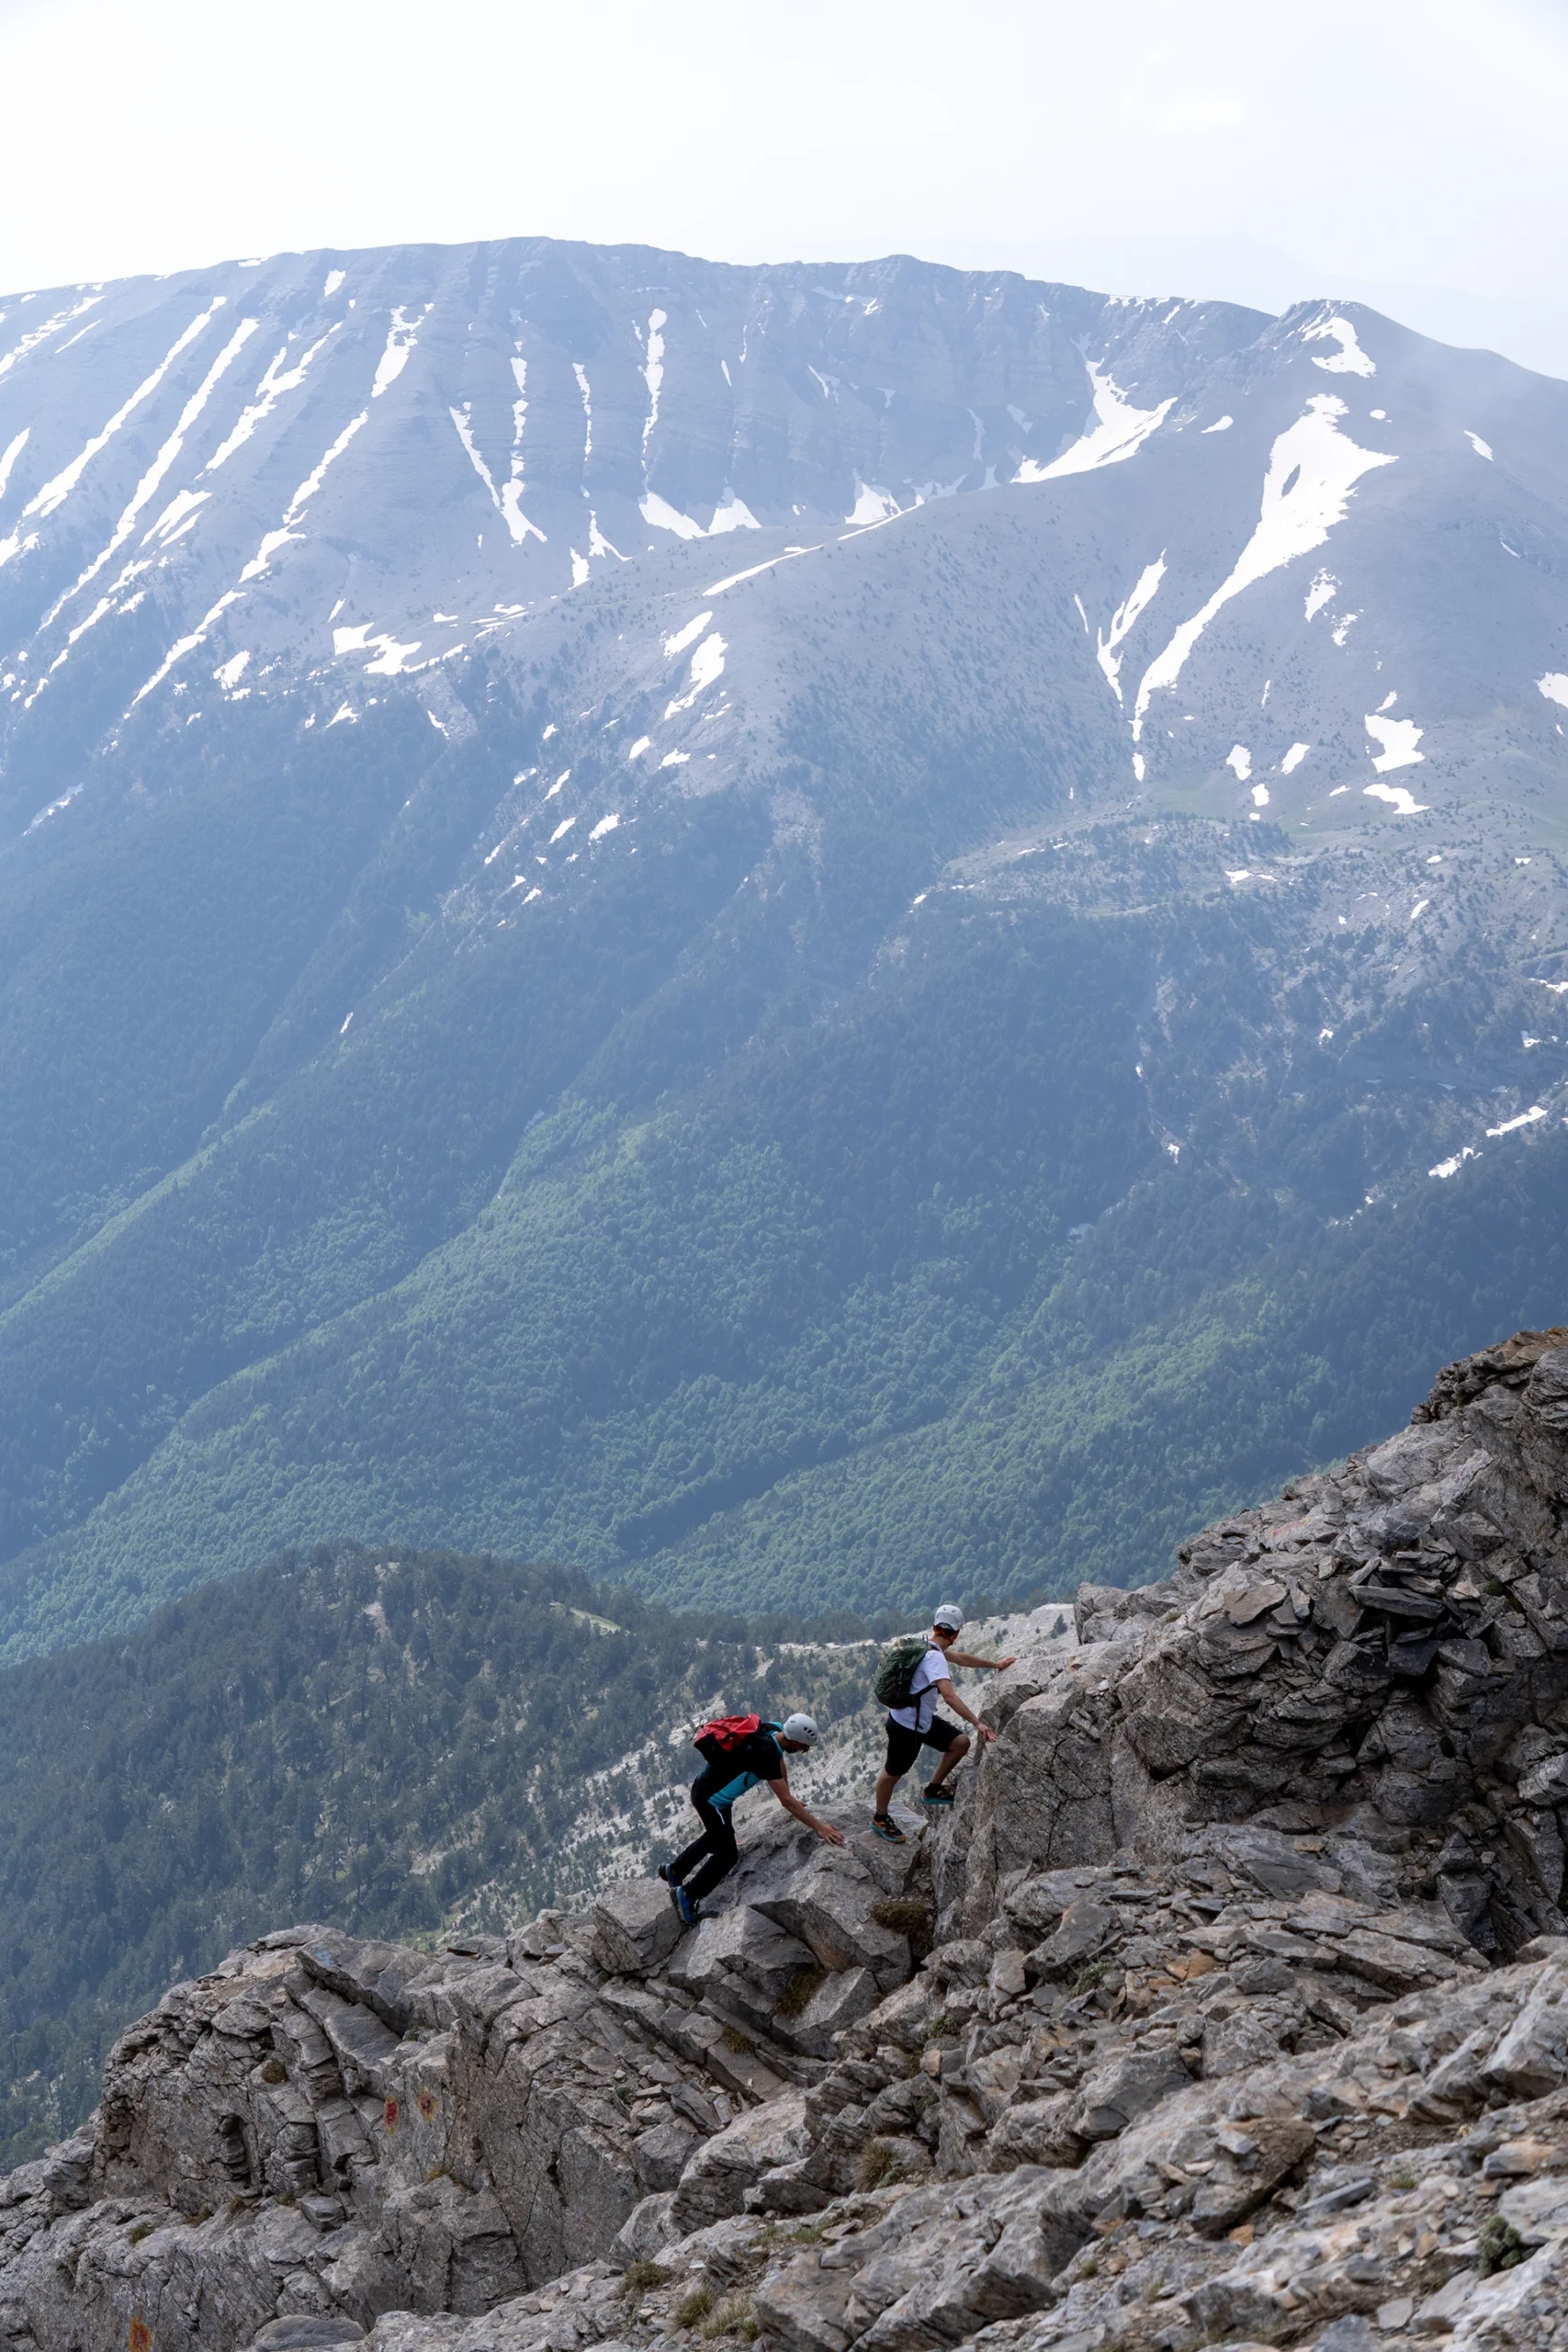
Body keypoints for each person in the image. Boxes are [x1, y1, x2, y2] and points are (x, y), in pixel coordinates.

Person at [661, 1711, 845, 1925]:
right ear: (794, 1741)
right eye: (804, 1746)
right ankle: (687, 1895)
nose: (804, 1751)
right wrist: (819, 1827)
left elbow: (779, 1762)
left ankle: (674, 1870)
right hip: (711, 1801)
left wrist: (788, 1791)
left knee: (717, 1836)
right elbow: (786, 1802)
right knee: (728, 1855)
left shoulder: (773, 1730)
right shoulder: (765, 1753)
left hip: (710, 1793)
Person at [872, 1605, 1015, 1841]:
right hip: (908, 1728)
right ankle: (880, 1818)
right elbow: (949, 1696)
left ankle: (933, 1790)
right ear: (956, 1633)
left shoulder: (925, 1644)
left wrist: (995, 1665)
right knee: (892, 1774)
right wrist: (978, 1723)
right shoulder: (934, 1658)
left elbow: (961, 1658)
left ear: (935, 1628)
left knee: (960, 1743)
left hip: (919, 1720)